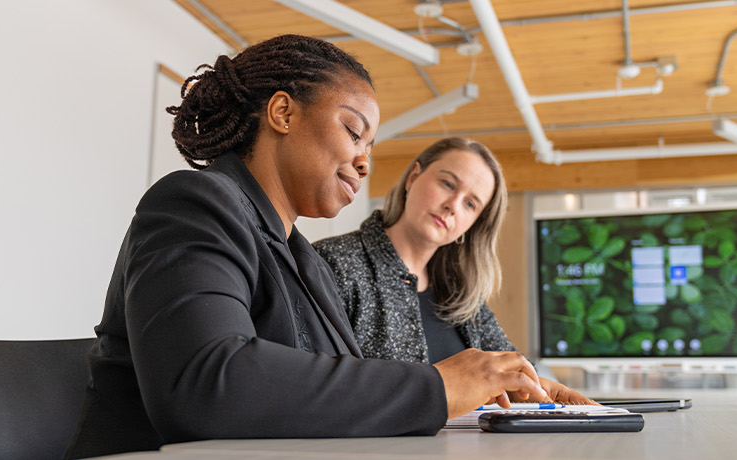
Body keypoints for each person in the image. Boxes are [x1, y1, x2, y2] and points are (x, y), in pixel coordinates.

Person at [64, 35, 551, 459]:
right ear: (282, 113)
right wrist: (438, 386)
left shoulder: (303, 257)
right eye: (353, 131)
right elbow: (206, 384)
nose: (364, 163)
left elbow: (334, 390)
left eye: (370, 147)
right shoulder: (194, 203)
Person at [313, 138, 594, 404]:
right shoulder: (331, 262)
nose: (453, 206)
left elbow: (515, 371)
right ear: (413, 177)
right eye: (447, 184)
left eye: (470, 204)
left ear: (473, 224)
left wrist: (562, 400)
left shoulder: (460, 292)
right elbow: (320, 387)